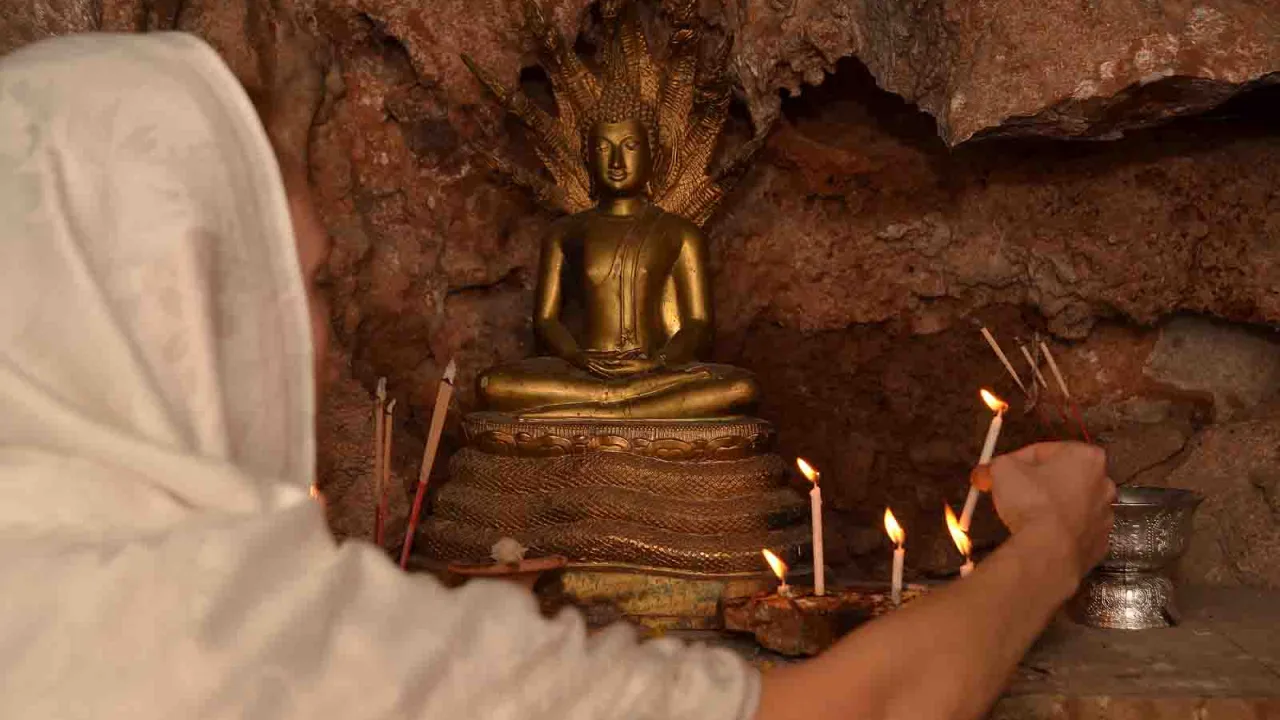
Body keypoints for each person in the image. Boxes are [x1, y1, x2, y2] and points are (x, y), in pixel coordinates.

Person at [0, 32, 1116, 720]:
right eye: (292, 299)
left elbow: (686, 332)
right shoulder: (287, 642)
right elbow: (864, 711)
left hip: (651, 384)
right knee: (525, 390)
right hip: (580, 392)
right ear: (176, 317)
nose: (322, 352)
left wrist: (639, 361)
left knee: (704, 394)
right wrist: (1051, 550)